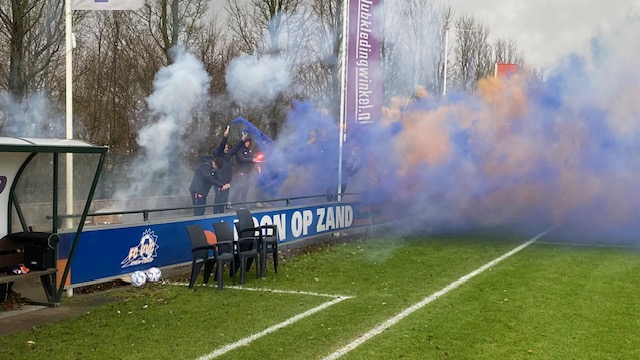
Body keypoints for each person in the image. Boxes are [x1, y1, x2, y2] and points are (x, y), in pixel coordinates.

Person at [228, 131, 258, 205]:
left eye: (249, 142)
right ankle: (232, 201)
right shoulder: (240, 150)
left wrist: (255, 161)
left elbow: (252, 158)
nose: (248, 143)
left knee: (246, 188)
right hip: (241, 171)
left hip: (248, 172)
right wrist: (251, 160)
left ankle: (243, 202)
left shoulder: (249, 150)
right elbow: (241, 159)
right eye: (247, 142)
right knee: (239, 187)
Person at [210, 126, 236, 214]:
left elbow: (235, 149)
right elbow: (221, 146)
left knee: (224, 200)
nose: (227, 149)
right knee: (218, 199)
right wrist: (225, 137)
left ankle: (221, 214)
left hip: (227, 182)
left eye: (227, 147)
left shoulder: (228, 156)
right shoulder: (218, 154)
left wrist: (242, 141)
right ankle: (215, 215)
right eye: (225, 147)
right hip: (219, 181)